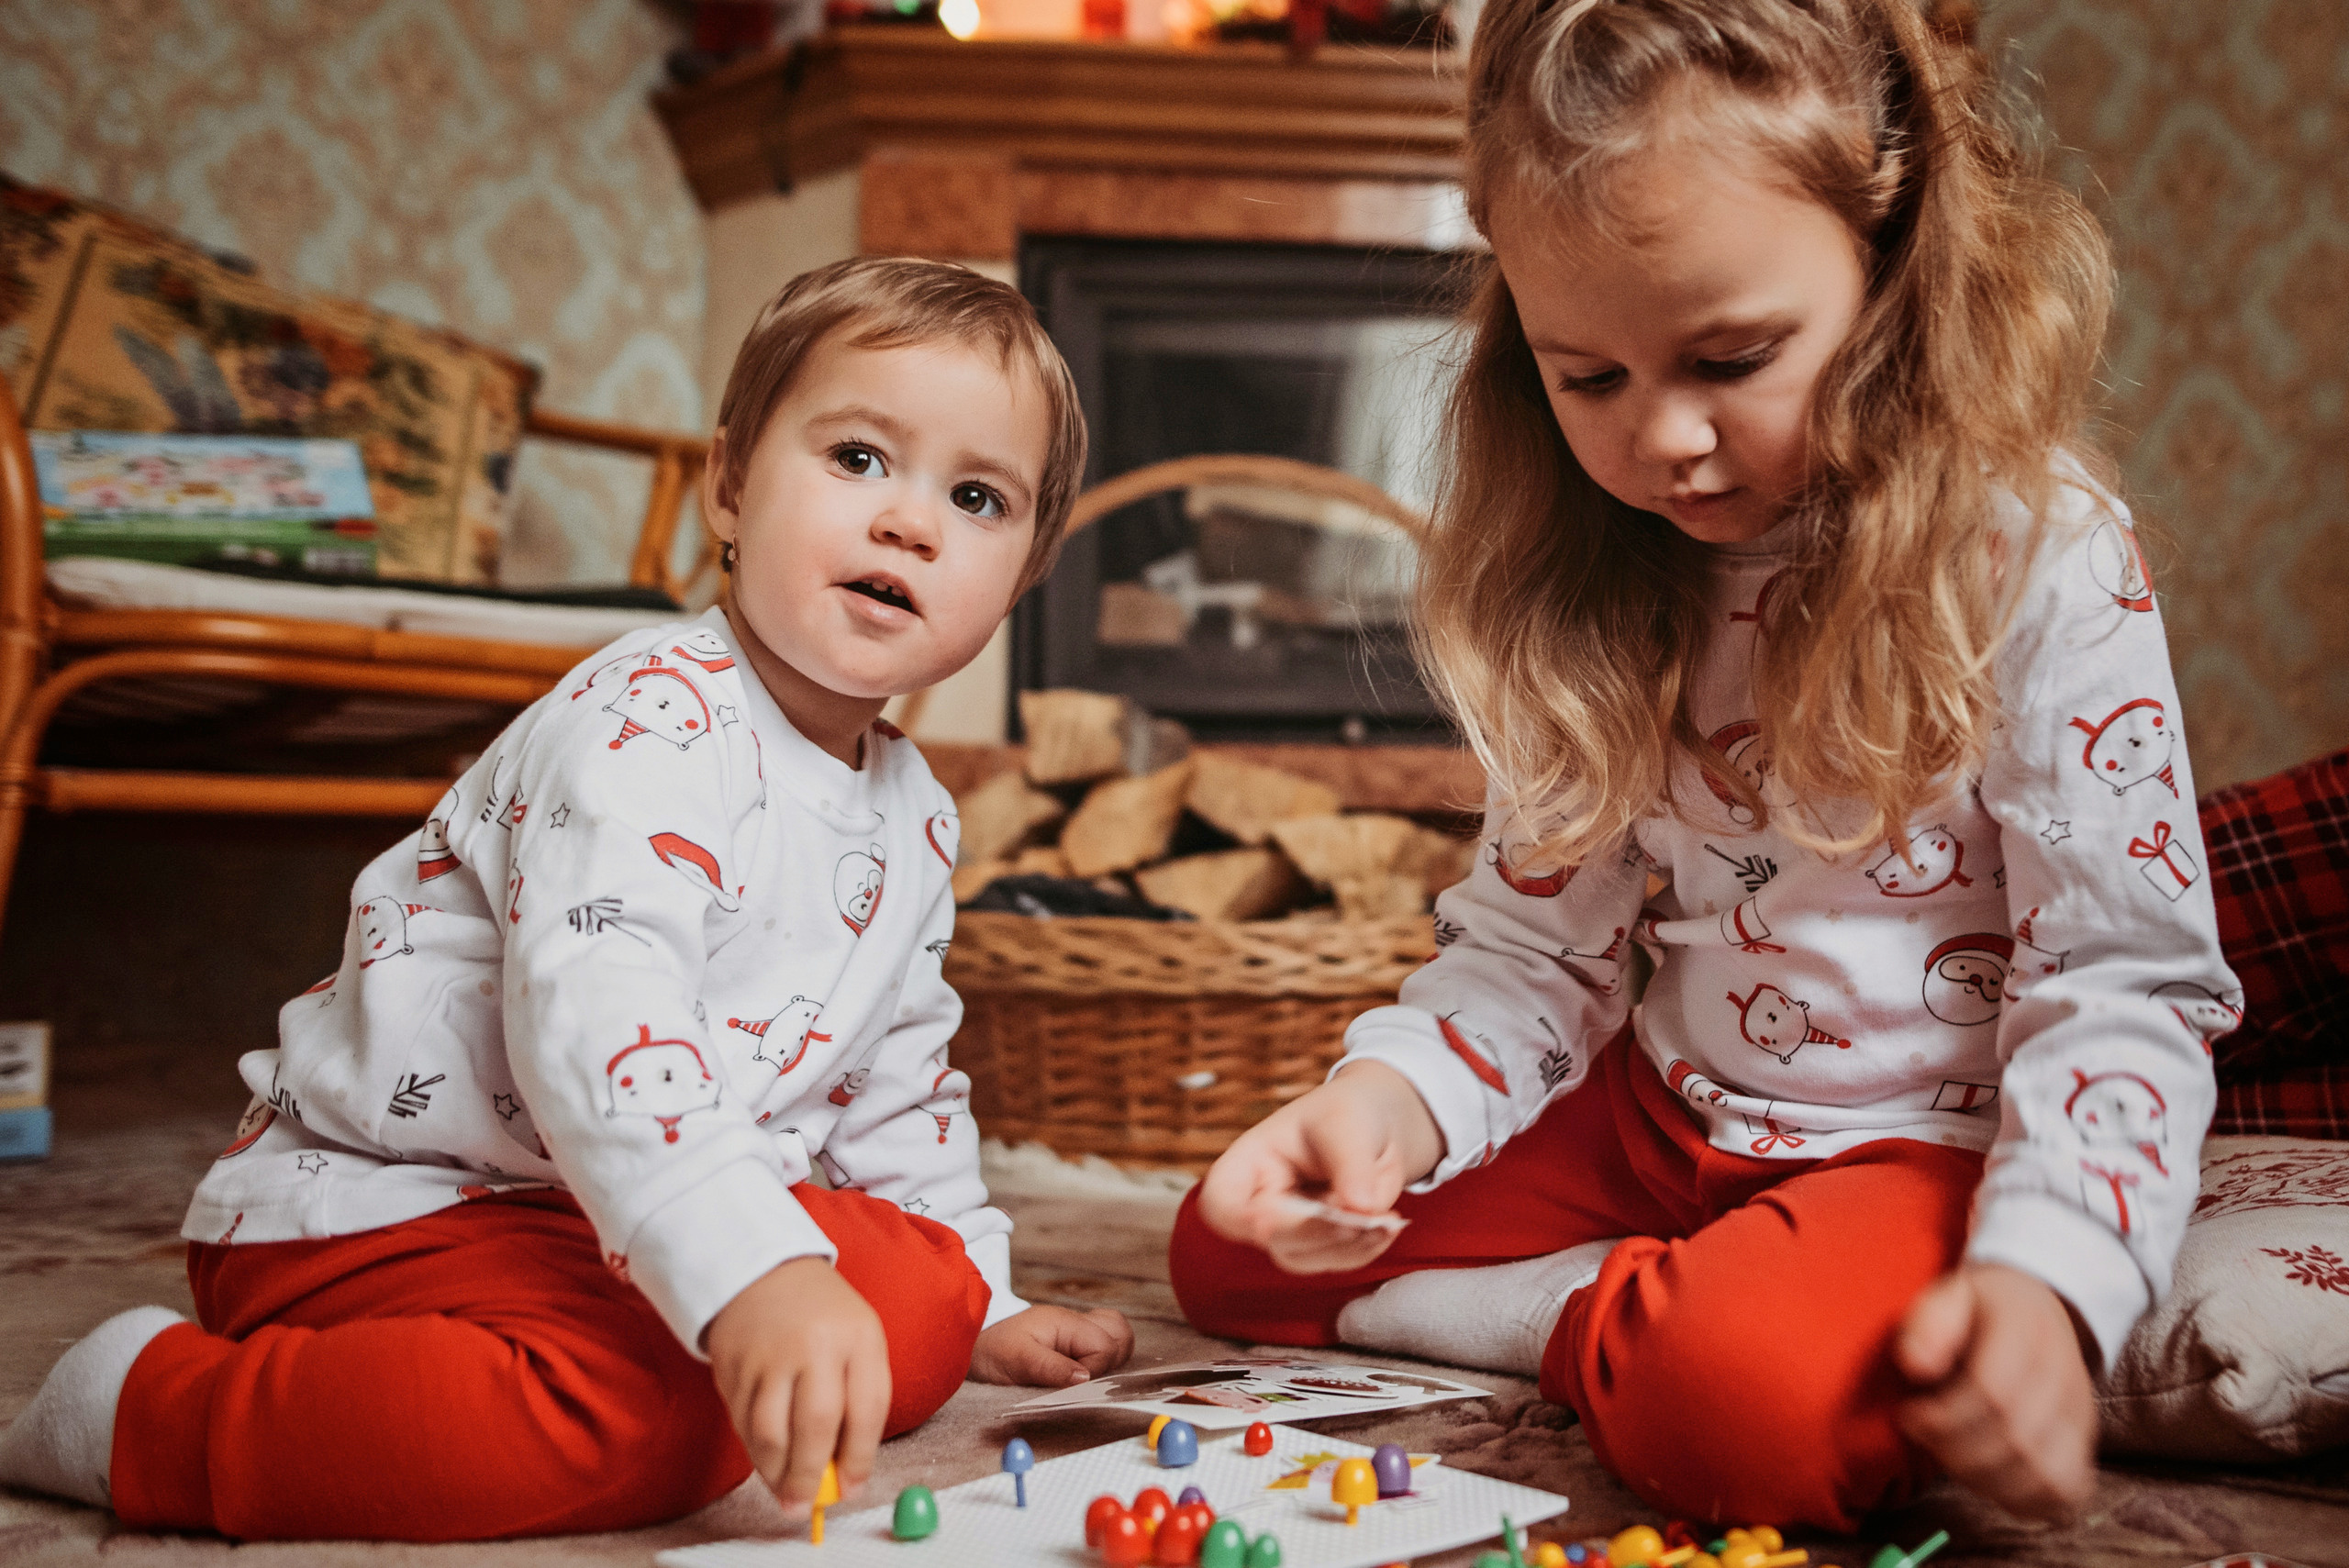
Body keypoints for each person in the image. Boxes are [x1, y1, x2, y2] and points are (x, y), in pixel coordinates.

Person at [1172, 0, 2238, 1533]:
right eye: (1587, 377)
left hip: (1915, 1150)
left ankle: (1644, 1326)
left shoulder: (2036, 548)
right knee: (1235, 1244)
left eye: (1731, 356)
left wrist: (2050, 1281)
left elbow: (2126, 980)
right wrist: (1386, 1110)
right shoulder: (1602, 567)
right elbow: (1535, 946)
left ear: (1889, 256)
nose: (1662, 439)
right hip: (1657, 1110)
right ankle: (1624, 1311)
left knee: (1738, 1416)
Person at [0, 258, 1134, 1540]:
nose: (909, 522)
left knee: (908, 1318)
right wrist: (755, 1274)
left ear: (1021, 574)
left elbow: (900, 1080)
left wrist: (976, 1296)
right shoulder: (646, 719)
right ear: (732, 483)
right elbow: (597, 1020)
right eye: (860, 458)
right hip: (393, 1202)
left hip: (609, 1206)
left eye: (975, 496)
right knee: (638, 1406)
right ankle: (148, 1408)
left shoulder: (914, 808)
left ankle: (771, 1314)